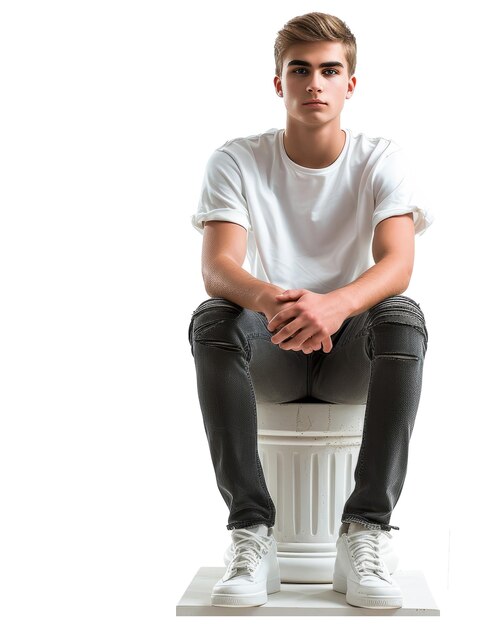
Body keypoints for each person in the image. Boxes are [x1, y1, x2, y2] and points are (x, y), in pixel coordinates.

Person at [187, 11, 433, 610]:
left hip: (351, 349)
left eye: (330, 70)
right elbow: (219, 266)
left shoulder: (381, 158)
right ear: (279, 82)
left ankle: (366, 528)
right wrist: (278, 301)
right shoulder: (236, 159)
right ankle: (252, 530)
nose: (314, 84)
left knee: (402, 314)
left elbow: (397, 263)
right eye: (300, 70)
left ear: (352, 82)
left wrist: (333, 306)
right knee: (214, 316)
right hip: (269, 341)